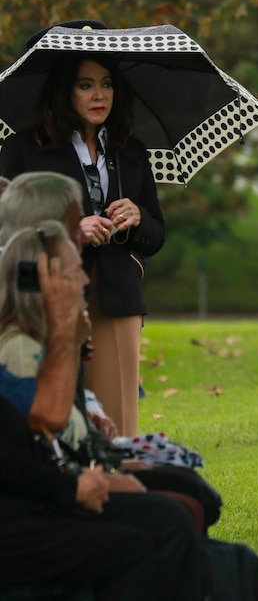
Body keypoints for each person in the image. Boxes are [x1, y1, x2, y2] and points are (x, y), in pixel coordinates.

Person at [0, 221, 201, 600]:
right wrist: (78, 485)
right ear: (42, 280)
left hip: (41, 496)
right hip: (24, 515)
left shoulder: (33, 338)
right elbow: (50, 422)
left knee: (177, 507)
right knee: (147, 536)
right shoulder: (18, 350)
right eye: (74, 270)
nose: (85, 280)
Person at [0, 20, 166, 436]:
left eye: (107, 84)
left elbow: (157, 235)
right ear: (64, 91)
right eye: (86, 85)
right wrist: (70, 231)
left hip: (114, 297)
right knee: (51, 423)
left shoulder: (133, 153)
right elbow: (6, 230)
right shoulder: (22, 149)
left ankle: (115, 496)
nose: (99, 95)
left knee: (118, 427)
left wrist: (137, 219)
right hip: (43, 295)